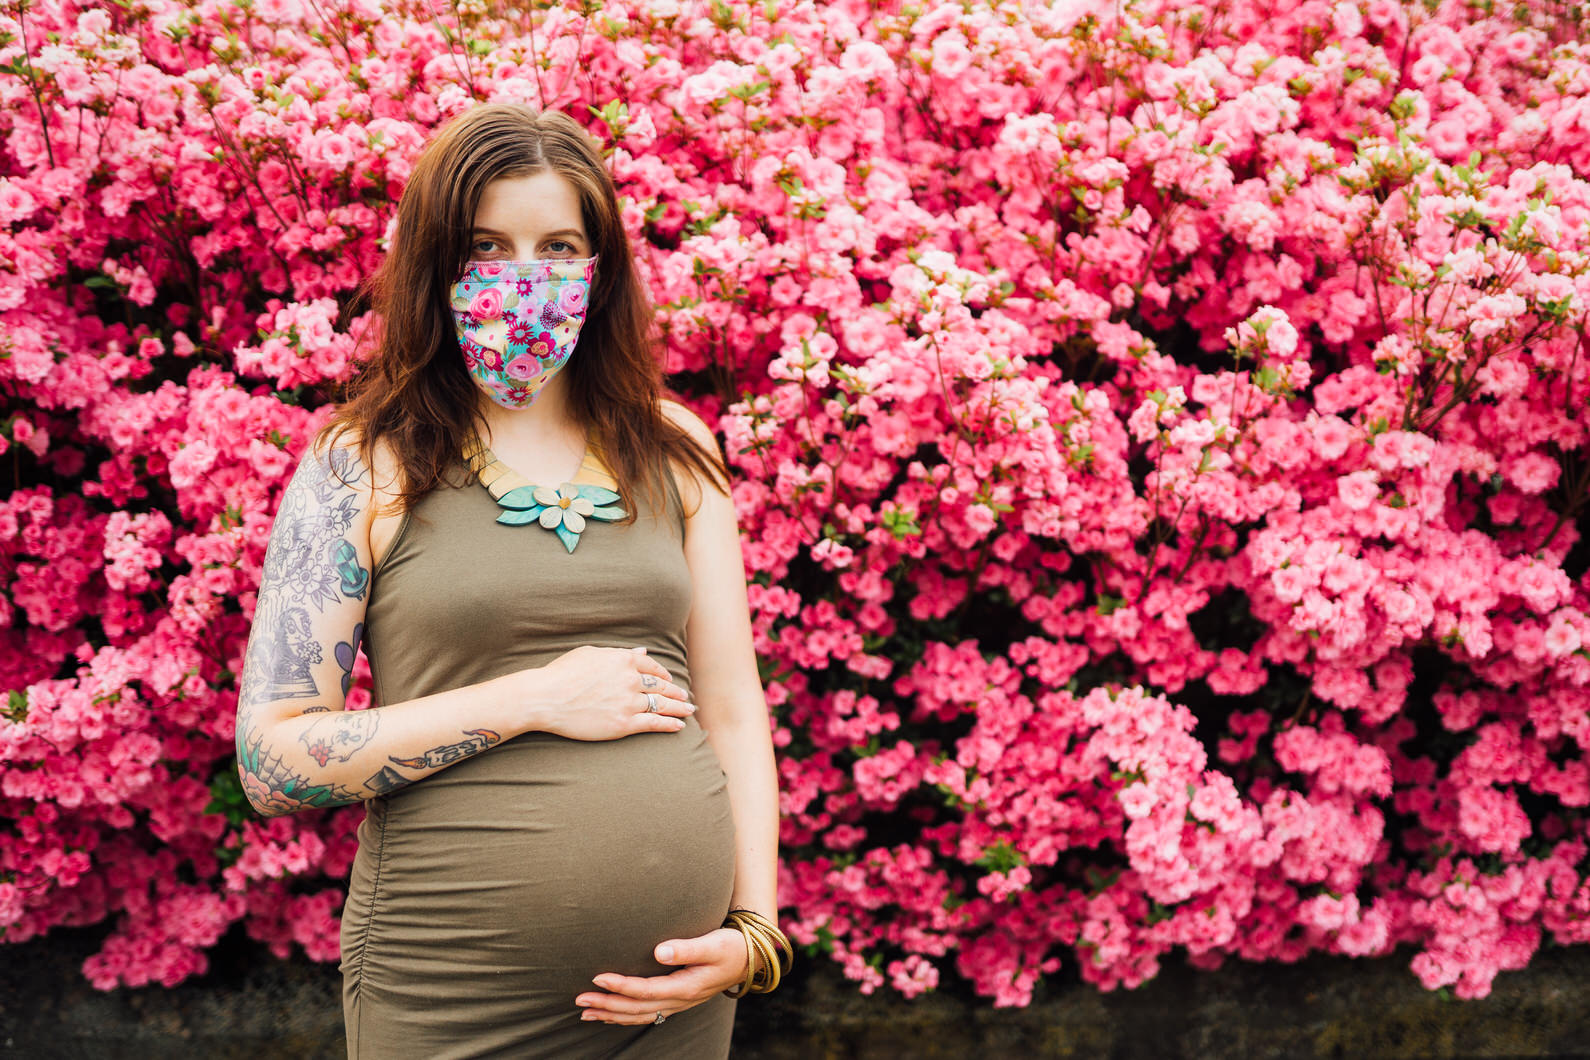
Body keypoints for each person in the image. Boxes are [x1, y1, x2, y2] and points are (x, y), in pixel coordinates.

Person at [233, 103, 786, 1058]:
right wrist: (534, 698)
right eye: (487, 246)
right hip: (448, 994)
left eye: (557, 246)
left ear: (599, 267)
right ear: (435, 264)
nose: (524, 278)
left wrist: (753, 933)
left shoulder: (675, 448)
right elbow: (273, 762)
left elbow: (733, 709)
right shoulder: (361, 466)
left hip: (677, 999)